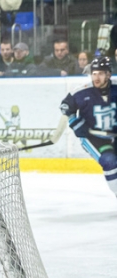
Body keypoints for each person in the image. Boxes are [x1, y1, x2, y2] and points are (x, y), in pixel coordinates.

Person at [60, 57, 117, 198]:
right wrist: (76, 123)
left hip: (114, 136)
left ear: (108, 75)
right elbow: (65, 107)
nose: (96, 77)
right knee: (109, 161)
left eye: (101, 74)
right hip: (94, 138)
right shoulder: (82, 92)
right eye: (94, 73)